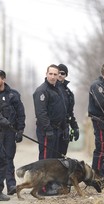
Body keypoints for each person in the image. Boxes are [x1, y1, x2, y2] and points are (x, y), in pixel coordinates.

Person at [0, 69, 26, 196]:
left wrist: (20, 130)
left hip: (9, 132)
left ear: (3, 79)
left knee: (8, 158)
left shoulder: (13, 95)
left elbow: (20, 113)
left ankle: (11, 185)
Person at [33, 64, 67, 196]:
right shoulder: (42, 91)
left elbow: (62, 109)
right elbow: (41, 113)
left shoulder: (58, 88)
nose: (53, 77)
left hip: (58, 129)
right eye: (50, 74)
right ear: (46, 74)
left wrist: (64, 127)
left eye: (55, 74)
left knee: (54, 160)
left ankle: (51, 185)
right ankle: (41, 188)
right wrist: (48, 129)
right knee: (45, 160)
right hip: (47, 130)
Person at [57, 64, 79, 156]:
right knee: (49, 159)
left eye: (62, 73)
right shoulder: (48, 89)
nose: (59, 75)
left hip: (64, 128)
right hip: (52, 127)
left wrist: (75, 127)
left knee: (62, 157)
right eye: (58, 73)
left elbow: (70, 113)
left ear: (66, 75)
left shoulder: (69, 93)